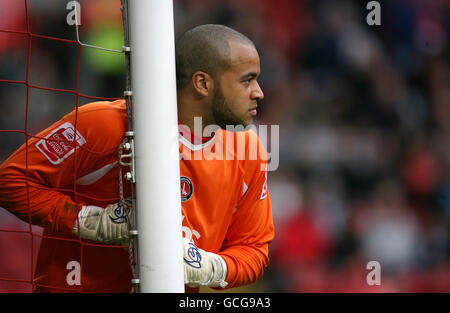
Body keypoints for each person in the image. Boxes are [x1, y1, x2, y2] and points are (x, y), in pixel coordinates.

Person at [0, 24, 274, 292]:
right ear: (202, 83)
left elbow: (254, 250)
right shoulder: (104, 124)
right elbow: (10, 180)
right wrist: (89, 221)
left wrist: (207, 267)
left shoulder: (247, 149)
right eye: (247, 80)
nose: (258, 92)